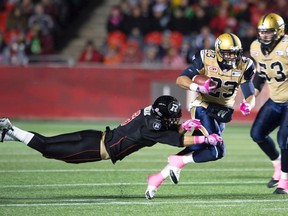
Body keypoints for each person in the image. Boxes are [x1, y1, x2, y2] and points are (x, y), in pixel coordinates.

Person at [145, 33, 256, 200]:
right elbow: (180, 79)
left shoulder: (245, 65)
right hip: (203, 107)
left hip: (221, 112)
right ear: (218, 51)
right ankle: (179, 162)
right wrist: (197, 87)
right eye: (228, 53)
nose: (232, 57)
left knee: (198, 147)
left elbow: (250, 93)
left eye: (235, 53)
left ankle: (157, 178)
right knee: (217, 151)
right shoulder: (206, 58)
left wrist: (249, 104)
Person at [0, 95, 222, 167]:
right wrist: (205, 138)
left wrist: (184, 126)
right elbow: (177, 141)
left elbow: (169, 129)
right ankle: (11, 127)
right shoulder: (151, 127)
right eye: (172, 117)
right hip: (96, 147)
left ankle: (6, 134)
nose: (176, 119)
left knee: (48, 143)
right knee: (47, 148)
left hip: (95, 136)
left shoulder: (151, 115)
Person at [249, 13, 288, 194]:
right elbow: (261, 75)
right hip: (276, 99)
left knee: (284, 139)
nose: (264, 35)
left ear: (279, 31)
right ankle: (279, 165)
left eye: (269, 32)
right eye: (262, 31)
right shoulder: (255, 47)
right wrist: (253, 96)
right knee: (257, 133)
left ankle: (285, 182)